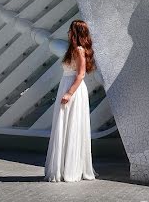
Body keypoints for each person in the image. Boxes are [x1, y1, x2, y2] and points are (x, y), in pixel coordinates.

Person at [45, 19, 97, 182]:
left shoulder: (79, 50)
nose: (67, 33)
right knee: (65, 125)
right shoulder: (73, 50)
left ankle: (70, 168)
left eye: (70, 30)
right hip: (67, 85)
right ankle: (65, 167)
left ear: (75, 33)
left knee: (71, 125)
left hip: (73, 89)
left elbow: (81, 74)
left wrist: (69, 93)